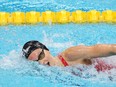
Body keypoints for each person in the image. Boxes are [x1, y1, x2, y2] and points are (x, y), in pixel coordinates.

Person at [22, 40, 116, 71]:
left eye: (41, 55)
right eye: (36, 62)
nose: (41, 62)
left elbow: (99, 49)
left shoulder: (70, 55)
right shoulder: (54, 71)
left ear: (46, 49)